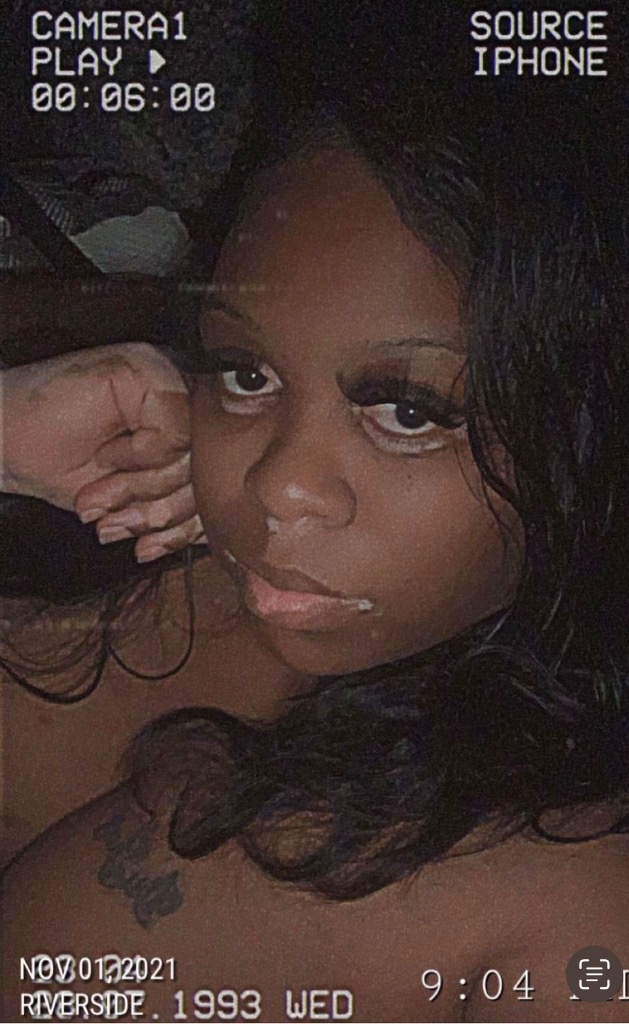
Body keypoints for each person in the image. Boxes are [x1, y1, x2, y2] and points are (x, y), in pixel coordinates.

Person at [2, 70, 629, 1022]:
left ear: (591, 445)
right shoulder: (181, 561)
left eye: (408, 412)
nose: (278, 484)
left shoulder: (575, 905)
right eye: (245, 372)